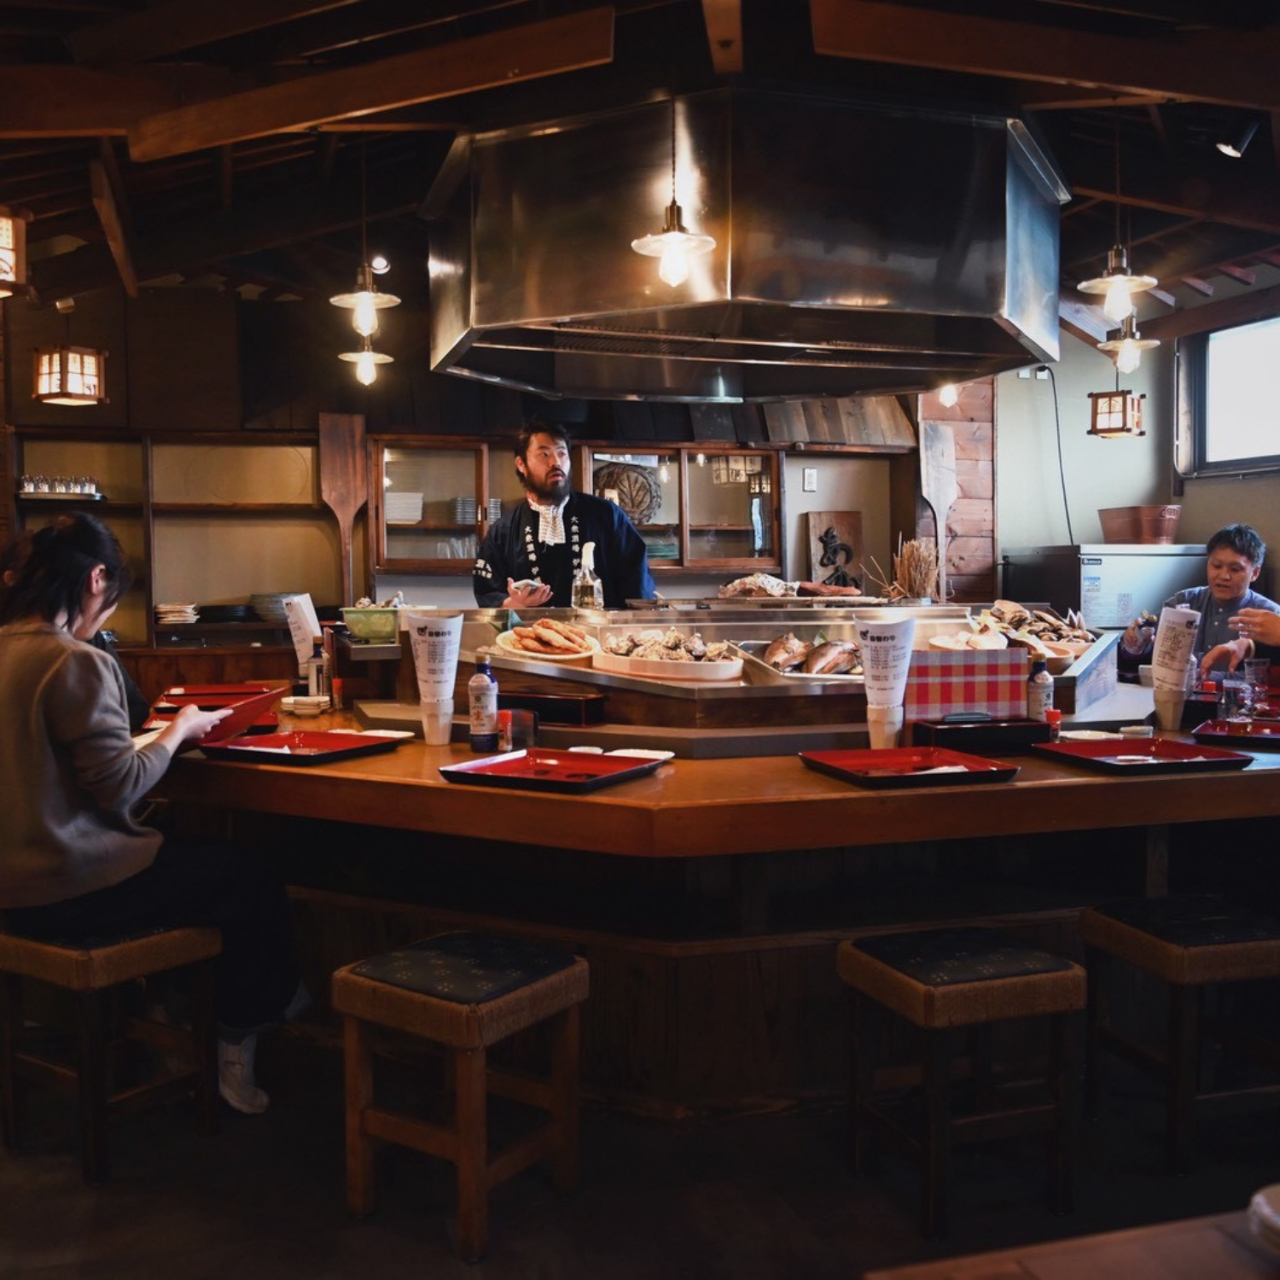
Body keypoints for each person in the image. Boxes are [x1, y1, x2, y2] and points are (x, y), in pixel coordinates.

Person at [0, 513, 303, 1115]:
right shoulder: (73, 660)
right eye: (111, 599)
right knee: (249, 875)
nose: (103, 617)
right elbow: (117, 788)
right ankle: (234, 1037)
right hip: (68, 890)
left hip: (11, 891)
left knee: (187, 858)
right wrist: (178, 730)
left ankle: (172, 1013)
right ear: (96, 579)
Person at [473, 418, 656, 609]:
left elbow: (638, 583)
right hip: (532, 628)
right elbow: (488, 590)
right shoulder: (503, 530)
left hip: (599, 627)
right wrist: (513, 603)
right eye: (544, 454)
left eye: (562, 453)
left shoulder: (607, 515)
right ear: (521, 464)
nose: (556, 462)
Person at [1, 528, 150, 732]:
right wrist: (179, 730)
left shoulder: (89, 639)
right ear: (10, 580)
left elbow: (136, 711)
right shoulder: (75, 656)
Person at [1118, 523, 1280, 677]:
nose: (1224, 576)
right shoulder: (1183, 602)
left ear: (1255, 573)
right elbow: (1147, 658)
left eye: (1235, 569)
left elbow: (1265, 679)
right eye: (1216, 566)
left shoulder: (1270, 617)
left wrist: (1203, 678)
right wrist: (1134, 645)